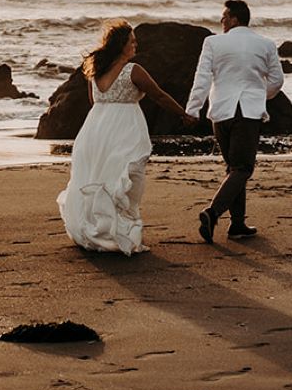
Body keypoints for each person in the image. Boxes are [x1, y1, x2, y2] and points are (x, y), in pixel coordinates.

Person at [58, 20, 196, 255]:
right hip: (125, 129)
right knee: (127, 179)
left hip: (94, 129)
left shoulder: (95, 71)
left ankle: (98, 230)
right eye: (131, 40)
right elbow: (159, 96)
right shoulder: (133, 71)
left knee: (98, 176)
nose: (136, 44)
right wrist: (183, 114)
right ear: (121, 44)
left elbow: (94, 103)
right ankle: (119, 234)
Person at [185, 0, 285, 243]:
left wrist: (193, 108)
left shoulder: (212, 43)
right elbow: (277, 80)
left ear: (234, 19)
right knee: (242, 169)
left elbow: (202, 77)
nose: (221, 21)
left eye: (224, 16)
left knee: (234, 169)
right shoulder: (265, 44)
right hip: (248, 112)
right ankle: (213, 212)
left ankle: (238, 224)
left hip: (220, 112)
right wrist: (261, 94)